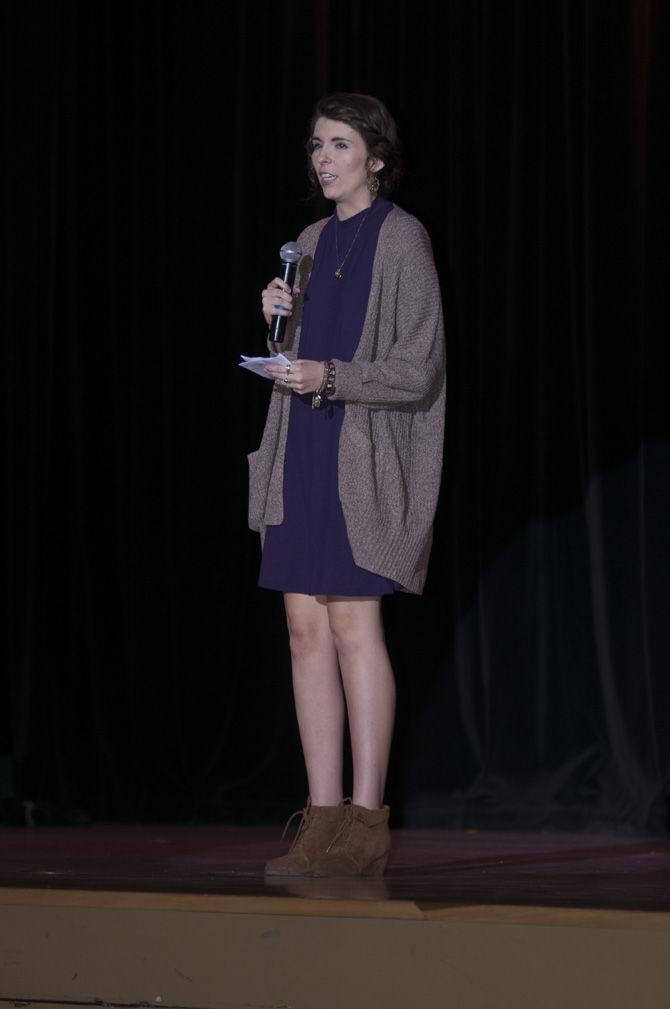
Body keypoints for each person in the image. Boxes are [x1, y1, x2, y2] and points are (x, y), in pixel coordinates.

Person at [248, 92, 445, 877]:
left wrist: (329, 372)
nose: (322, 158)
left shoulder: (402, 241)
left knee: (356, 626)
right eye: (316, 146)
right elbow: (296, 351)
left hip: (359, 454)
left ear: (376, 157)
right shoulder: (307, 238)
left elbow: (418, 368)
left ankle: (366, 821)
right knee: (304, 631)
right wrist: (275, 321)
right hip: (301, 449)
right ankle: (320, 819)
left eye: (337, 144)